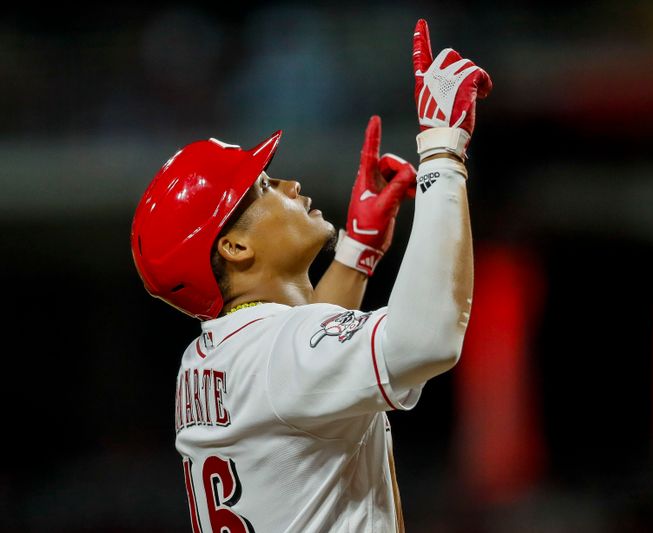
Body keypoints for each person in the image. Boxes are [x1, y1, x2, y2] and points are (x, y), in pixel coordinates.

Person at [131, 19, 491, 533]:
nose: (289, 183)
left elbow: (302, 352)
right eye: (263, 187)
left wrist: (357, 254)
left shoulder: (209, 359)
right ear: (234, 246)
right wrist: (442, 149)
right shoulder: (277, 357)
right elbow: (426, 338)